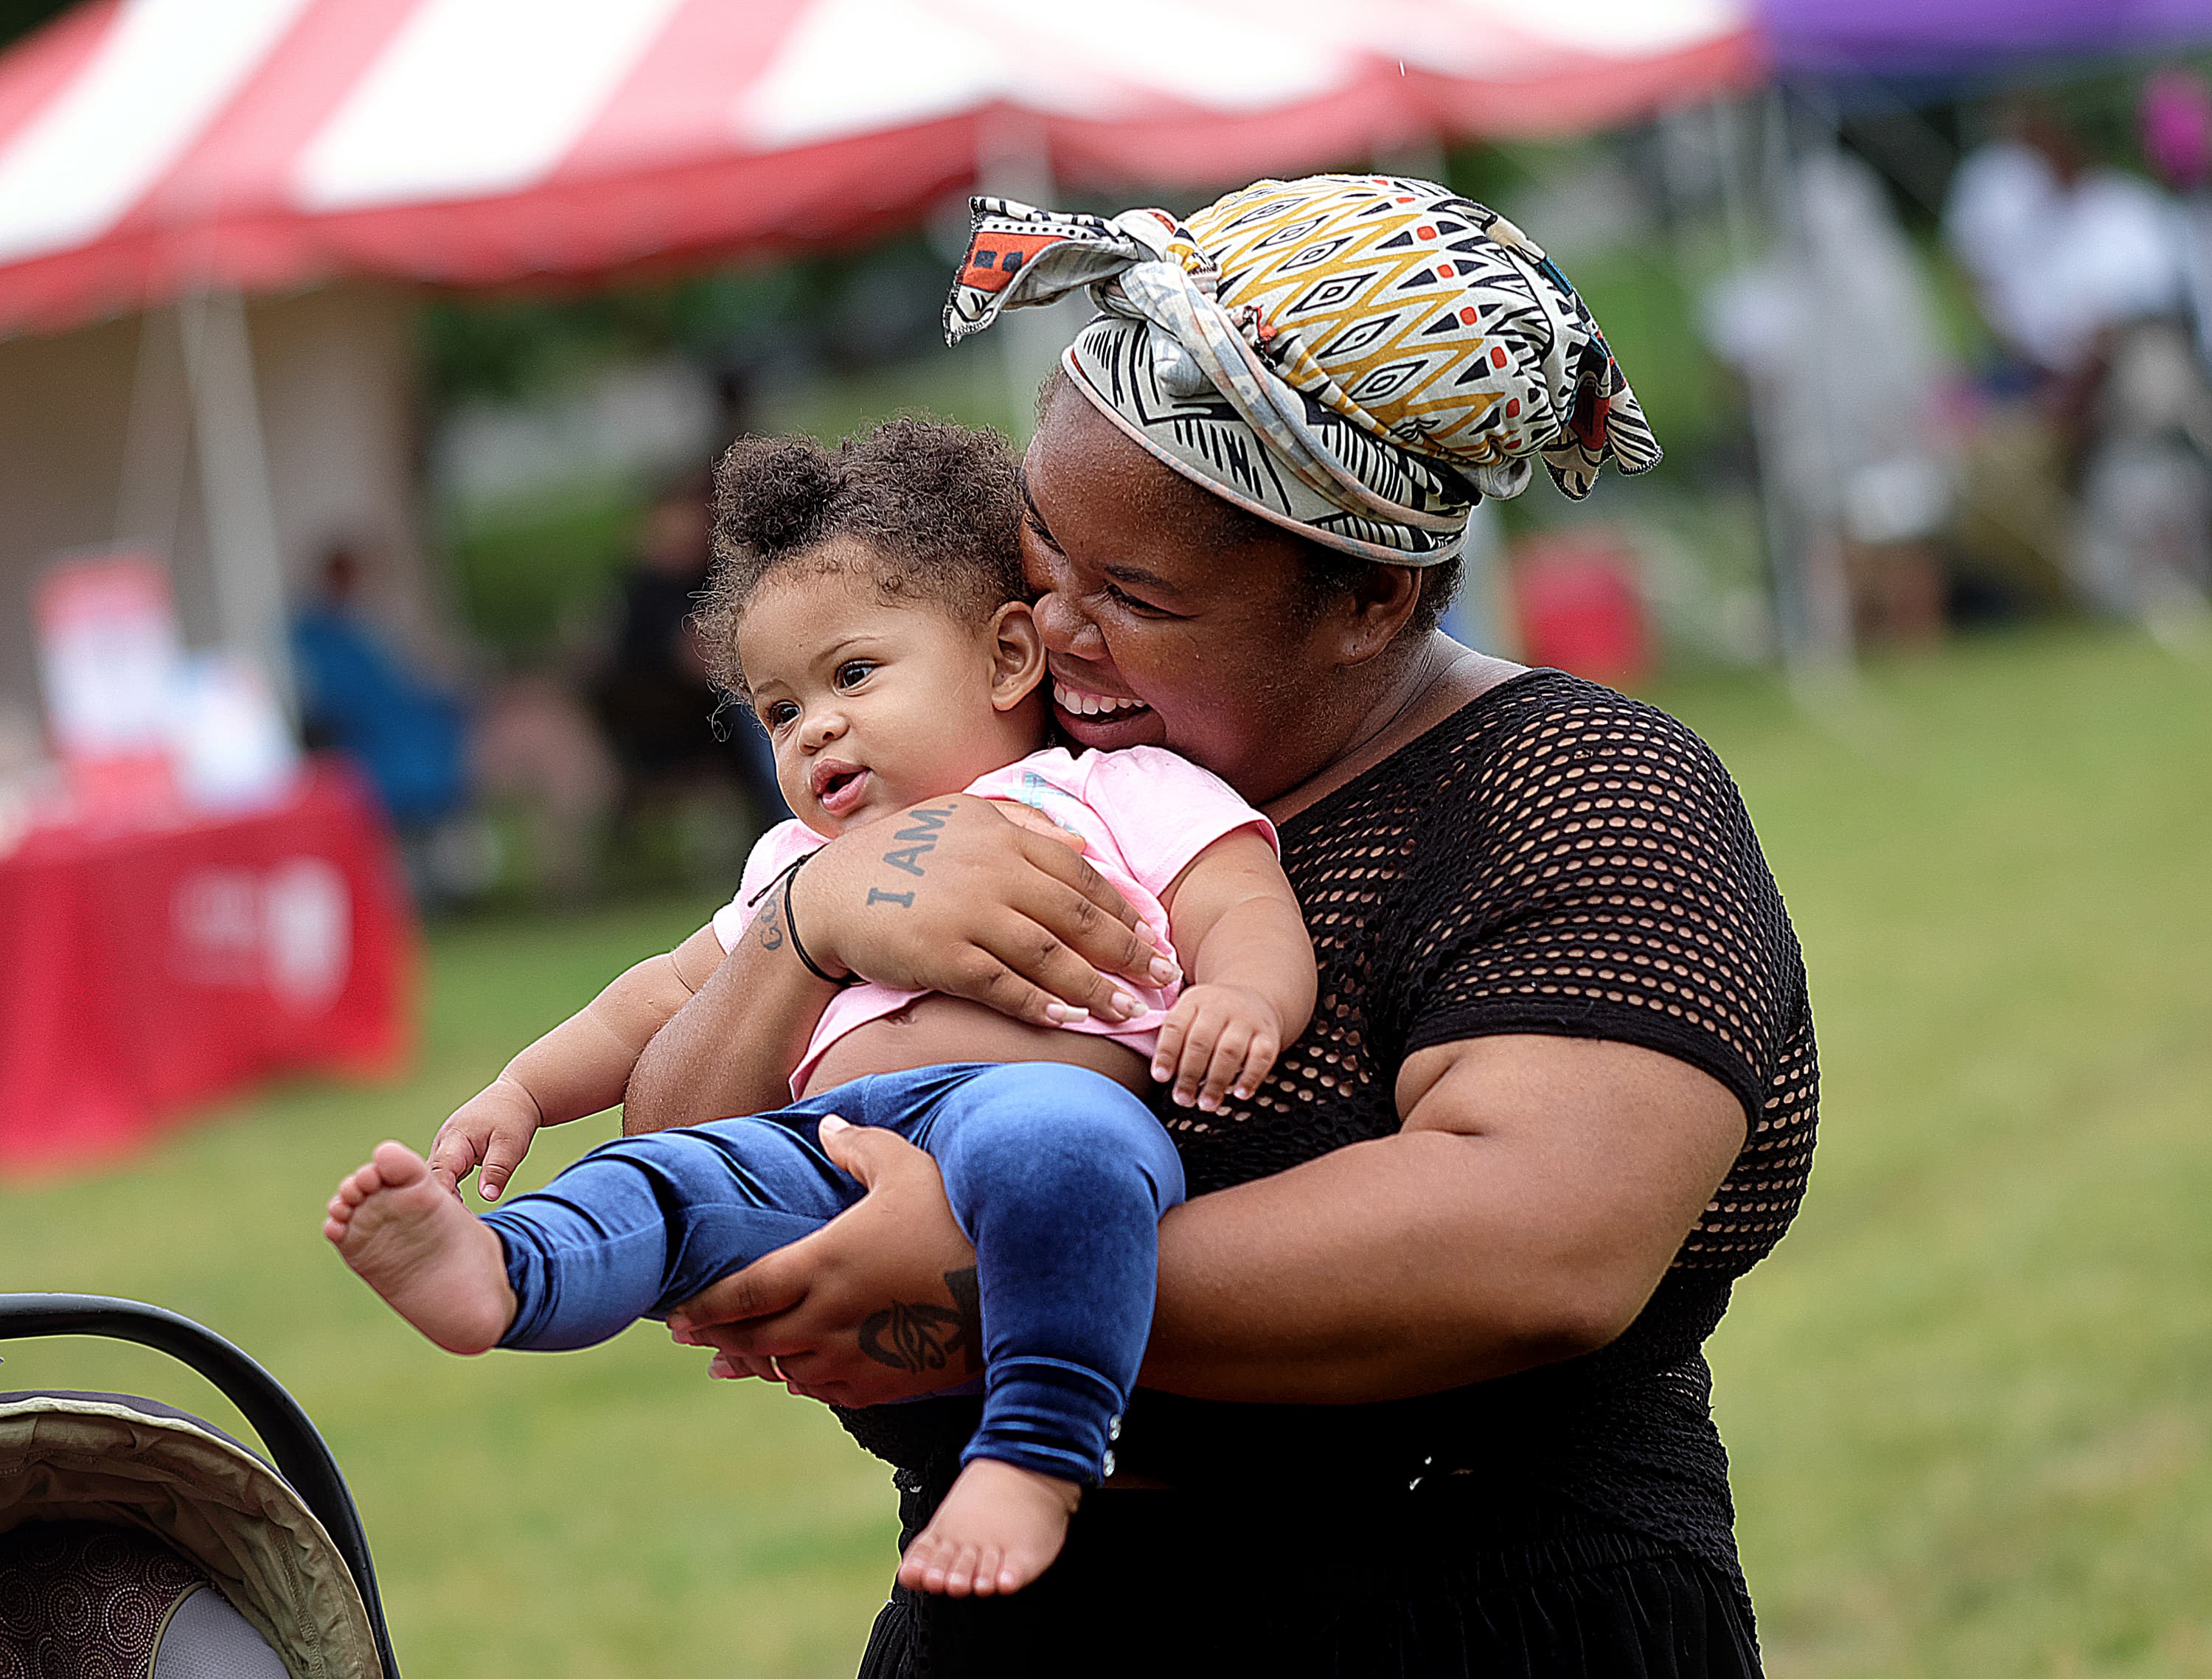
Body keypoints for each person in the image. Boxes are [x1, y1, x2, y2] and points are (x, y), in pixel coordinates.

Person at [622, 175, 1819, 1676]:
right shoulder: (1009, 783)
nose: (1051, 629)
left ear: (1374, 599)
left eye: (1136, 593)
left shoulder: (1581, 788)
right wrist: (803, 926)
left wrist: (980, 1278)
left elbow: (1534, 1247)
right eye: (1041, 552)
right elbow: (678, 1151)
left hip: (1463, 1620)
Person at [322, 419, 1314, 1599]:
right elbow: (662, 993)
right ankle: (502, 1269)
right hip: (821, 1150)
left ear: (1006, 659)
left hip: (1039, 1102)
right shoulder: (794, 861)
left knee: (1076, 1173)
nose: (816, 728)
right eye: (779, 712)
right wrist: (525, 1090)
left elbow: (1238, 892)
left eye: (853, 675)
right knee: (665, 1184)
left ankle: (1037, 1453)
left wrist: (1245, 994)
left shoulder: (1100, 787)